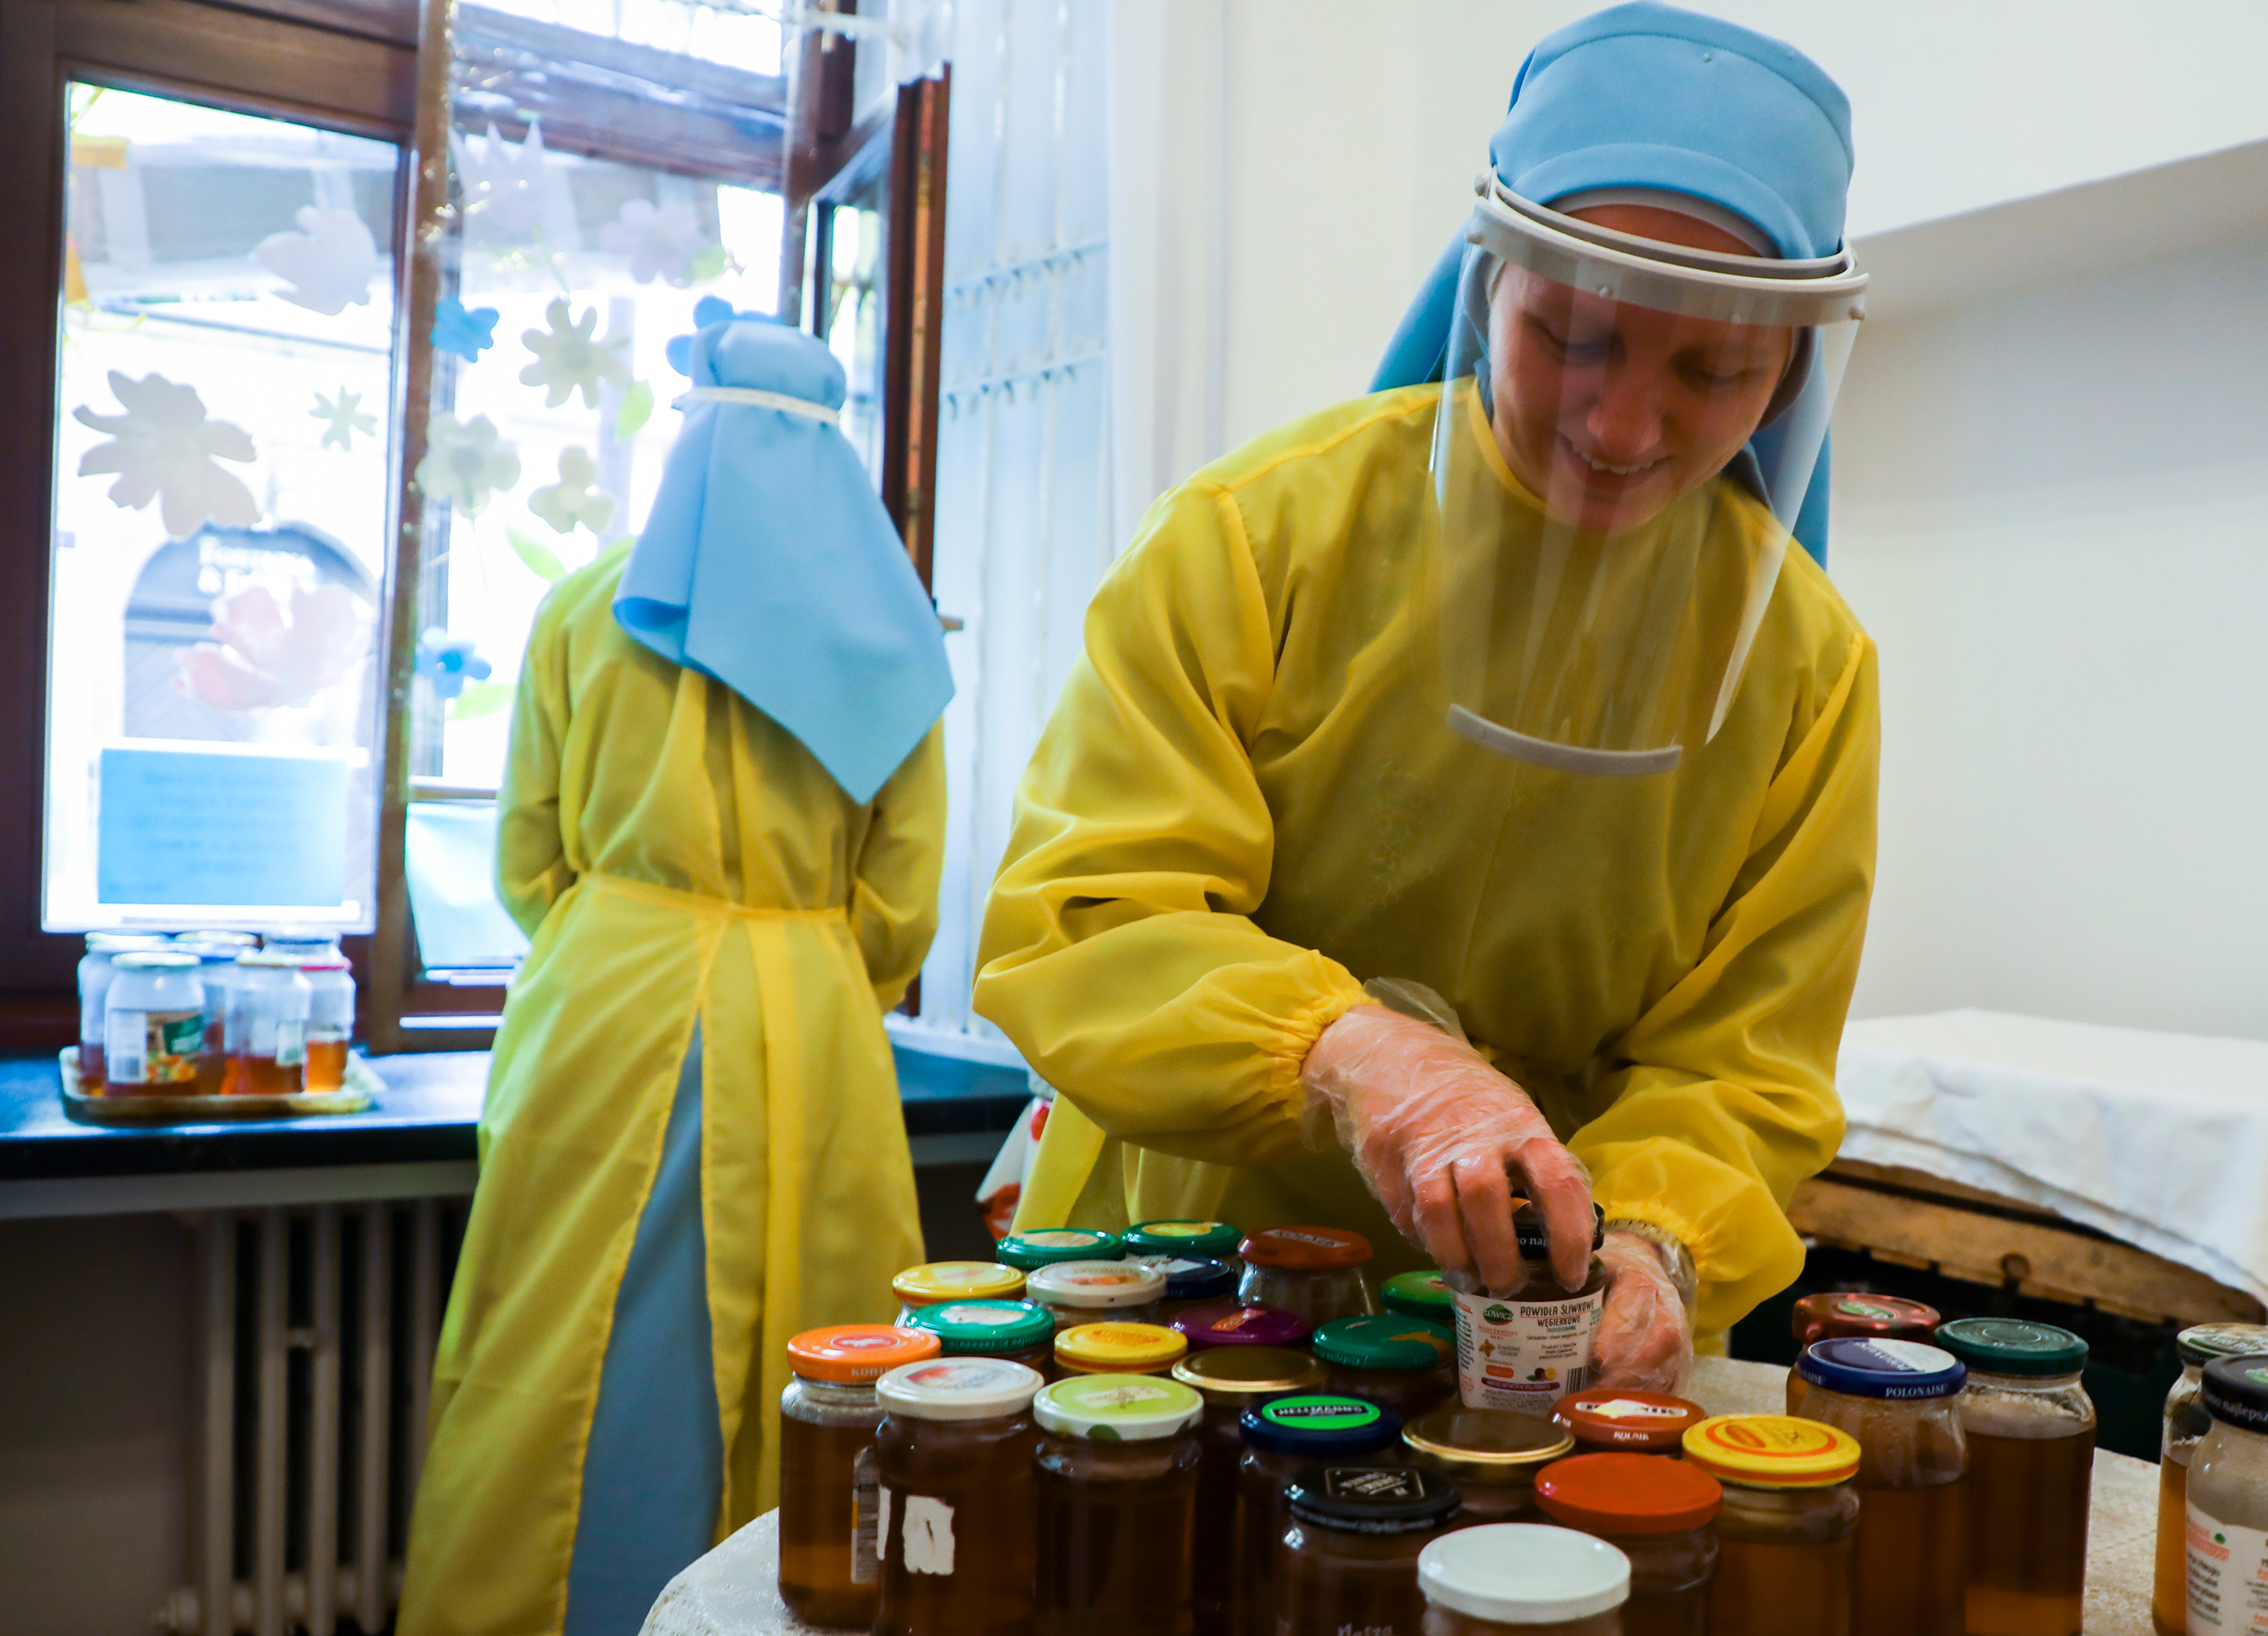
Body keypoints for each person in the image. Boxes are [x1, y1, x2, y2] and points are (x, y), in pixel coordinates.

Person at [974, 2, 1875, 1388]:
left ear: (1794, 372)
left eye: (1715, 370)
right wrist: (1356, 1055)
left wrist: (1657, 1239)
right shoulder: (1255, 536)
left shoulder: (1809, 671)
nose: (1625, 428)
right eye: (1575, 338)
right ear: (1491, 285)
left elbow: (1746, 1069)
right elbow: (1088, 920)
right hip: (1190, 1272)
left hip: (1540, 1323)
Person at [399, 306, 951, 1636]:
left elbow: (528, 864)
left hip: (606, 1009)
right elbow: (902, 907)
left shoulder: (584, 609)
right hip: (813, 1021)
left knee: (550, 1352)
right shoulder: (895, 635)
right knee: (825, 1372)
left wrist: (627, 946)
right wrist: (804, 964)